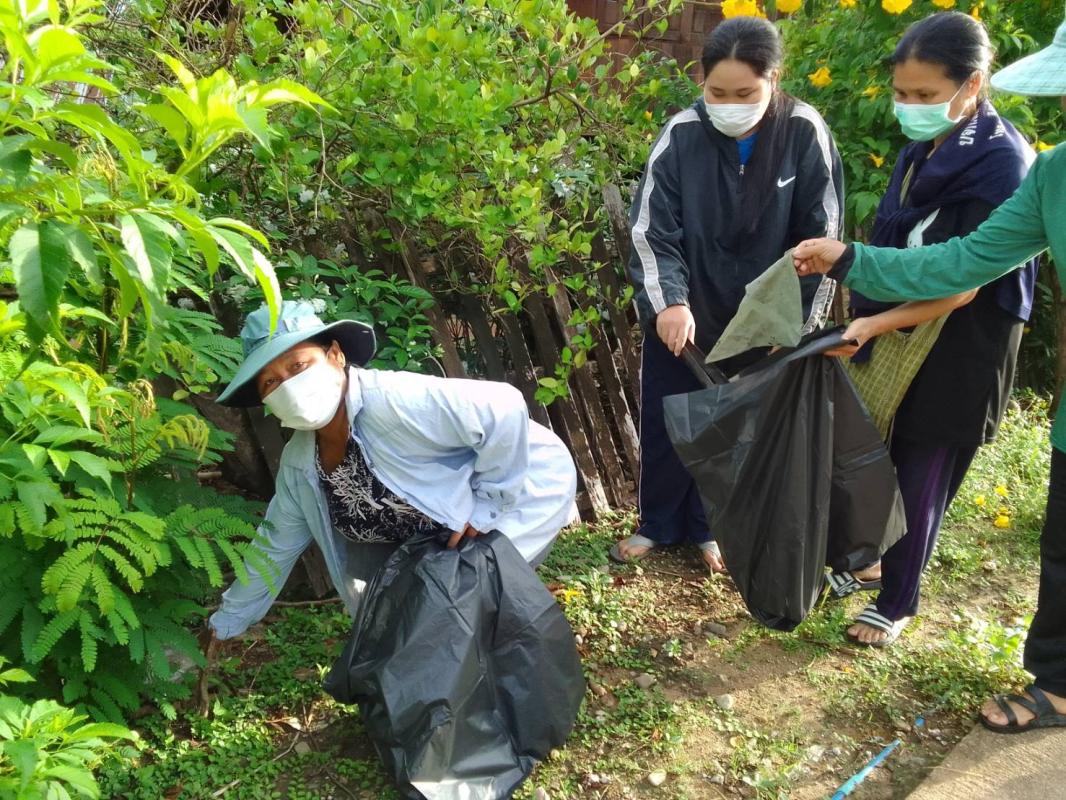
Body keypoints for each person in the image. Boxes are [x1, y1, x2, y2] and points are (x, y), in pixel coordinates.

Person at [793, 10, 1066, 733]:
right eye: (902, 93)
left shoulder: (1006, 161)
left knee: (926, 459)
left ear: (971, 86)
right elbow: (941, 252)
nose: (907, 107)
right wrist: (861, 279)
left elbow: (968, 282)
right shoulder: (964, 152)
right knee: (879, 443)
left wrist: (874, 312)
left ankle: (897, 597)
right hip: (908, 313)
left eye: (923, 93)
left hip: (965, 333)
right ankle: (874, 562)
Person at [202, 301, 578, 651]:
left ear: (335, 355)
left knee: (458, 608)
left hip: (525, 485)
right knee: (412, 626)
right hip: (431, 538)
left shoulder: (394, 400)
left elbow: (503, 405)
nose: (287, 386)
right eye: (271, 382)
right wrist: (228, 620)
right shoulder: (301, 463)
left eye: (297, 366)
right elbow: (274, 546)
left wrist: (489, 505)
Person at [614, 15, 843, 572]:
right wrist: (669, 301)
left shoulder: (804, 132)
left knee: (739, 427)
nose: (730, 103)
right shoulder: (682, 135)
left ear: (775, 79)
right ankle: (659, 523)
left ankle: (713, 527)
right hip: (685, 316)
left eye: (746, 93)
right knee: (669, 419)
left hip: (765, 318)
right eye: (717, 92)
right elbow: (650, 230)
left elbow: (825, 239)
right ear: (701, 81)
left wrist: (794, 328)